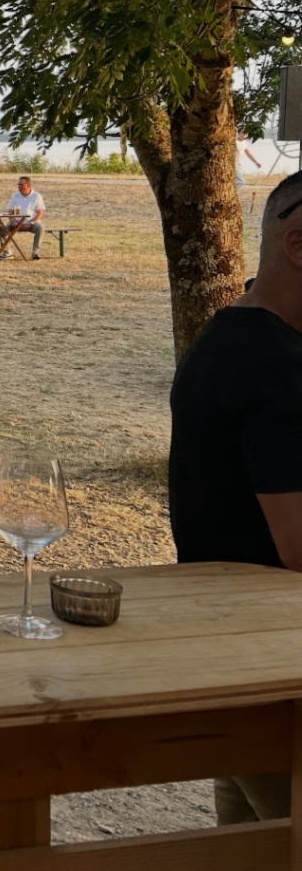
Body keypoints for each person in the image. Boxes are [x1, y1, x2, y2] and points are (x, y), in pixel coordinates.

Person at [171, 170, 302, 825]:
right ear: (298, 246)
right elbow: (297, 543)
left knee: (248, 847)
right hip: (271, 662)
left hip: (228, 646)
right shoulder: (270, 364)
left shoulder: (232, 336)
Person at [0, 175, 46, 259]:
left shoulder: (36, 196)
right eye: (18, 185)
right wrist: (13, 221)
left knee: (40, 227)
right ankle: (7, 252)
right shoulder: (15, 196)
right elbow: (10, 211)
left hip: (31, 222)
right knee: (2, 228)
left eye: (22, 185)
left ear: (28, 185)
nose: (19, 187)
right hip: (16, 222)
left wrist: (31, 223)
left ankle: (35, 252)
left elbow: (40, 213)